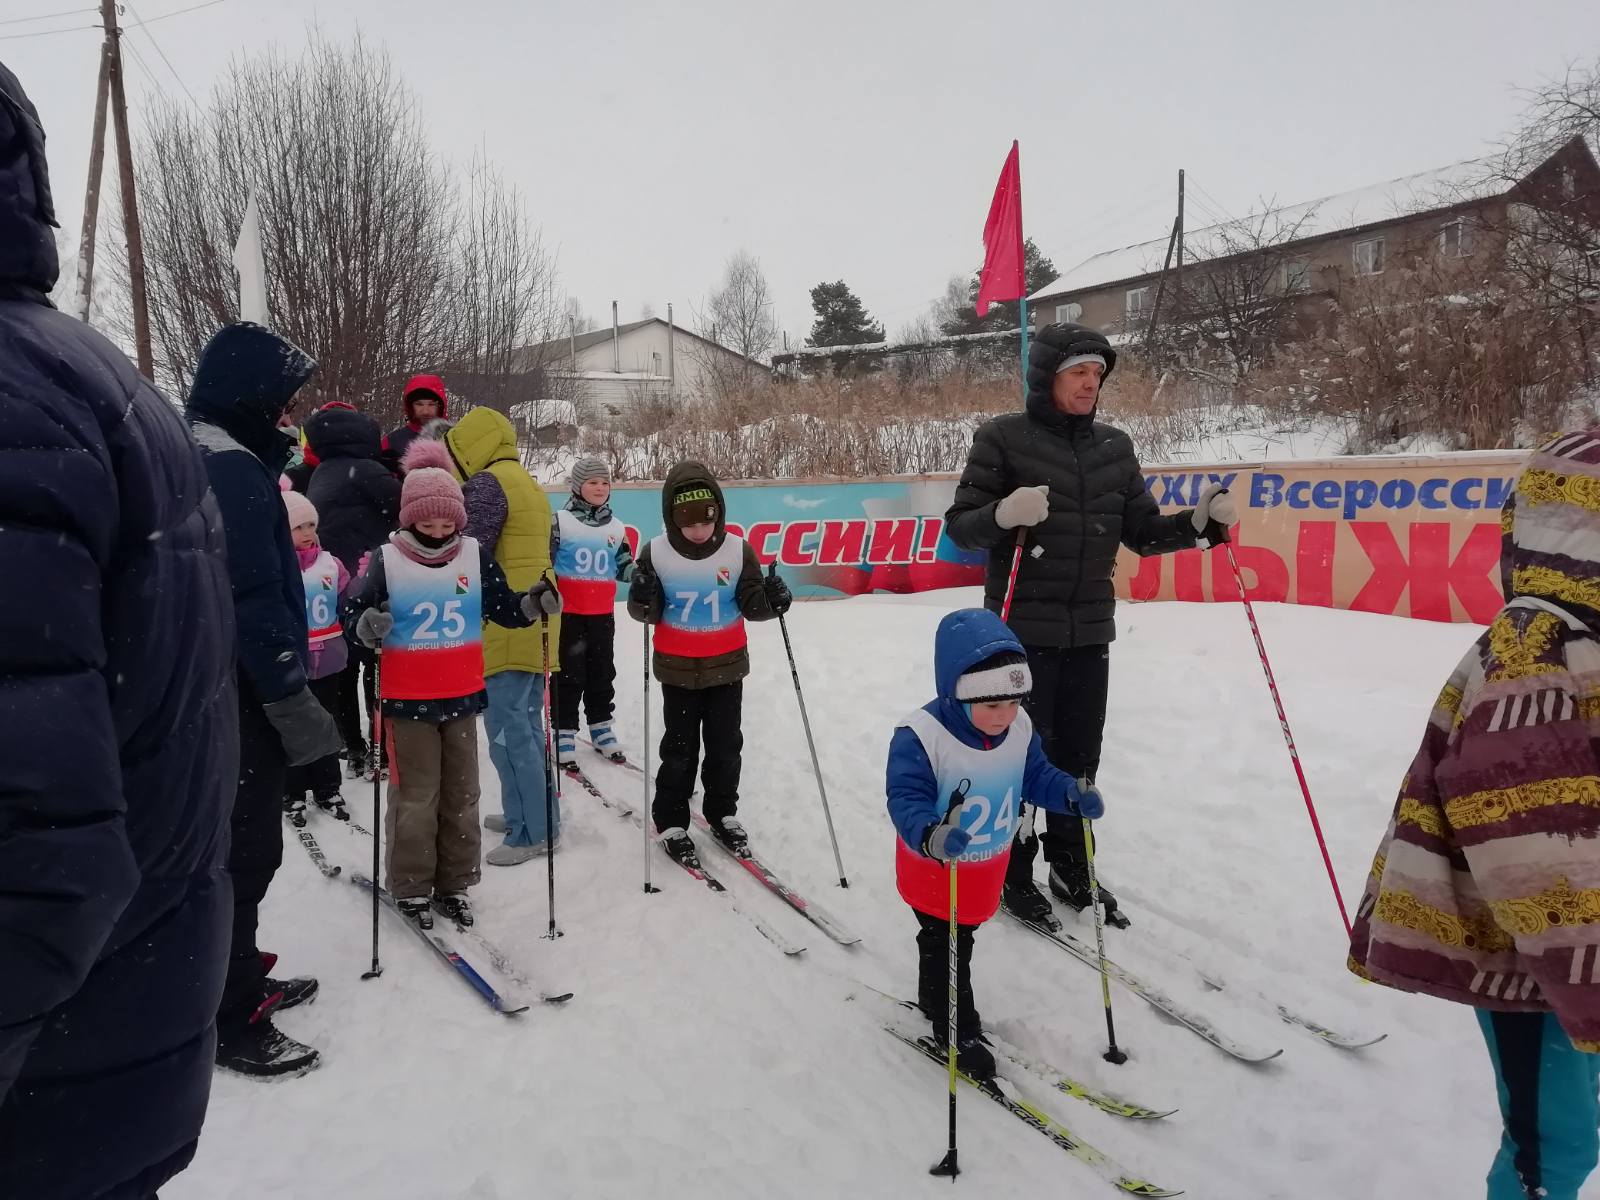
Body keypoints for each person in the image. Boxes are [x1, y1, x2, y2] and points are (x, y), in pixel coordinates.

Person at [0, 60, 235, 1200]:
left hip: (52, 1071)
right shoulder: (98, 374)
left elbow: (34, 844)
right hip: (118, 1032)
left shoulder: (18, 398)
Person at [1349, 428, 1600, 1200]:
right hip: (1534, 958)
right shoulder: (1538, 648)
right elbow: (1528, 838)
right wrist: (1586, 979)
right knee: (1551, 1149)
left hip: (1576, 956)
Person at [944, 321, 1236, 927]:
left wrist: (1199, 526)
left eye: (1097, 374)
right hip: (1020, 631)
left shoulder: (1114, 447)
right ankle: (1013, 871)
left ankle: (1073, 868)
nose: (1090, 384)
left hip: (1090, 631)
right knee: (1024, 753)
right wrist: (1002, 512)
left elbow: (1144, 532)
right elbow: (961, 526)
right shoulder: (1002, 439)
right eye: (1078, 372)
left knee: (1080, 757)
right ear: (1048, 376)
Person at [186, 320, 343, 1078]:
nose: (290, 420)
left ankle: (238, 976)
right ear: (249, 398)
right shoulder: (233, 472)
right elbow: (253, 601)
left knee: (237, 850)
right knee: (243, 852)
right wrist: (294, 709)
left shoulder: (209, 452)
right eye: (282, 405)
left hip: (211, 689)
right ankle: (227, 1013)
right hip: (238, 695)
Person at [887, 608, 1104, 1079]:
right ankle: (955, 1027)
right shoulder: (922, 736)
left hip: (986, 866)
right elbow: (905, 797)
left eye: (1012, 704)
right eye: (991, 707)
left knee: (958, 936)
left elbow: (1035, 777)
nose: (1004, 715)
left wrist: (1069, 793)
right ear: (957, 693)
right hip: (936, 867)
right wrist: (929, 833)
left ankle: (933, 996)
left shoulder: (1017, 728)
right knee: (948, 942)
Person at [344, 466, 557, 927]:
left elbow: (503, 606)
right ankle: (413, 885)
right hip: (407, 699)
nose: (439, 534)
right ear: (408, 519)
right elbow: (355, 611)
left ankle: (454, 881)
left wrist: (532, 603)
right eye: (428, 525)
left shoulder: (473, 555)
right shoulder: (388, 558)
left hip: (461, 694)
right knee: (418, 796)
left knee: (463, 794)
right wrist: (365, 626)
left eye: (447, 525)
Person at [627, 461, 792, 865]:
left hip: (726, 666)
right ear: (671, 517)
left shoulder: (738, 549)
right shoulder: (656, 551)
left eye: (706, 522)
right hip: (677, 668)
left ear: (718, 513)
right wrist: (642, 594)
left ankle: (722, 812)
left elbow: (753, 605)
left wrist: (774, 600)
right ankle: (671, 819)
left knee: (725, 746)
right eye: (688, 524)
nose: (698, 532)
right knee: (679, 748)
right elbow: (644, 613)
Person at [420, 409, 564, 864]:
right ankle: (532, 811)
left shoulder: (484, 485)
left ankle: (531, 831)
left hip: (507, 620)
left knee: (509, 730)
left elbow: (470, 552)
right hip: (537, 612)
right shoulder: (526, 482)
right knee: (524, 725)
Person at [305, 401, 401, 778]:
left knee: (345, 665)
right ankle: (380, 743)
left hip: (334, 579)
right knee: (376, 664)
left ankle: (351, 742)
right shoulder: (368, 470)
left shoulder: (322, 472)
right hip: (368, 576)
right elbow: (403, 508)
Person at [553, 455, 636, 768]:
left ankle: (601, 727)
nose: (600, 488)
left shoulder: (616, 526)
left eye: (605, 482)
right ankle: (564, 730)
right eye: (592, 482)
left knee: (602, 671)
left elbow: (623, 565)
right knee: (569, 673)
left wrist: (640, 577)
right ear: (578, 486)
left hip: (602, 613)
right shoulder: (560, 521)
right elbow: (546, 561)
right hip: (570, 613)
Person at [281, 488, 353, 825]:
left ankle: (327, 787)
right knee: (294, 724)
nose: (308, 532)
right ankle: (292, 790)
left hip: (328, 659)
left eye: (311, 525)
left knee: (326, 722)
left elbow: (345, 603)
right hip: (292, 660)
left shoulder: (331, 564)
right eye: (299, 527)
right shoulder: (277, 565)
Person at [383, 372, 448, 469]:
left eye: (431, 404)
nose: (425, 411)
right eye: (419, 404)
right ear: (410, 407)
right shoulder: (392, 442)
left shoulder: (453, 439)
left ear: (440, 407)